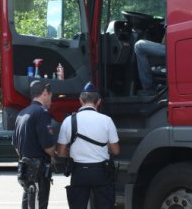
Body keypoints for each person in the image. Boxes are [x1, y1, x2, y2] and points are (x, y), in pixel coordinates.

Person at [56, 82, 120, 209]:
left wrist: (74, 151)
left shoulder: (69, 121)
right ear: (99, 101)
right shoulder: (107, 120)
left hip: (78, 173)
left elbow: (60, 152)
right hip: (101, 173)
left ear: (81, 100)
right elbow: (116, 150)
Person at [12, 80, 56, 209]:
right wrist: (55, 153)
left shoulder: (21, 113)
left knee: (28, 204)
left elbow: (15, 145)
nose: (51, 101)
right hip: (38, 171)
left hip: (26, 169)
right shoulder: (42, 113)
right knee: (38, 205)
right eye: (50, 97)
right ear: (44, 93)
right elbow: (48, 147)